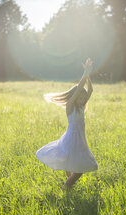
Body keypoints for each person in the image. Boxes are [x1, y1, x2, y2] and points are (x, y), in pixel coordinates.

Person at [36, 58, 98, 189]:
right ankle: (67, 186)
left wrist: (88, 76)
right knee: (79, 169)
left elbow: (90, 90)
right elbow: (79, 89)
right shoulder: (70, 106)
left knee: (71, 162)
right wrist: (85, 72)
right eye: (80, 96)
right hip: (72, 138)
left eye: (83, 97)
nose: (83, 99)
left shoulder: (81, 106)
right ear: (74, 96)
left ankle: (68, 185)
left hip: (80, 139)